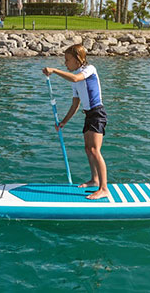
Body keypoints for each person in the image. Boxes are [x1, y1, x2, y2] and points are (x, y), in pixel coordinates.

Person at [42, 44, 109, 200]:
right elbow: (75, 104)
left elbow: (76, 77)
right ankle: (95, 180)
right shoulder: (74, 80)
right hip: (88, 115)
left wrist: (54, 70)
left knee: (95, 150)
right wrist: (63, 122)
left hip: (97, 113)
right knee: (88, 149)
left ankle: (104, 188)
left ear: (79, 59)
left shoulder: (89, 70)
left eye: (67, 60)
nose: (65, 63)